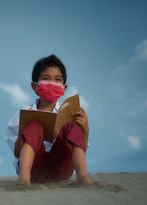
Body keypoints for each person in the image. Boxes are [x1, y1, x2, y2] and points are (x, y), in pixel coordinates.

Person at [6, 55, 93, 186]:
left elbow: (81, 149)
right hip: (34, 169)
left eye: (57, 80)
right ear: (34, 86)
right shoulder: (24, 112)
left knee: (71, 126)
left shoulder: (70, 113)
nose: (52, 83)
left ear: (64, 88)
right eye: (46, 79)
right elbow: (17, 152)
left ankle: (83, 177)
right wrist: (24, 128)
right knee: (33, 125)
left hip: (61, 169)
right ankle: (24, 179)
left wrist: (85, 129)